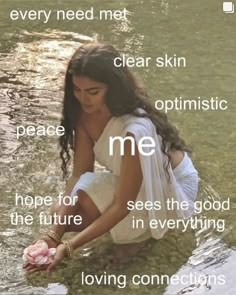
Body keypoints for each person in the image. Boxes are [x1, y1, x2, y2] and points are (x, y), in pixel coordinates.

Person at [23, 42, 198, 273]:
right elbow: (80, 174)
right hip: (136, 178)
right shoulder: (84, 115)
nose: (83, 99)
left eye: (93, 92)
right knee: (61, 212)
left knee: (90, 216)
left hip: (171, 186)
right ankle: (124, 230)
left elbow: (123, 206)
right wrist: (53, 235)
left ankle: (140, 236)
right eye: (77, 90)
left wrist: (69, 246)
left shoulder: (133, 131)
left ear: (112, 88)